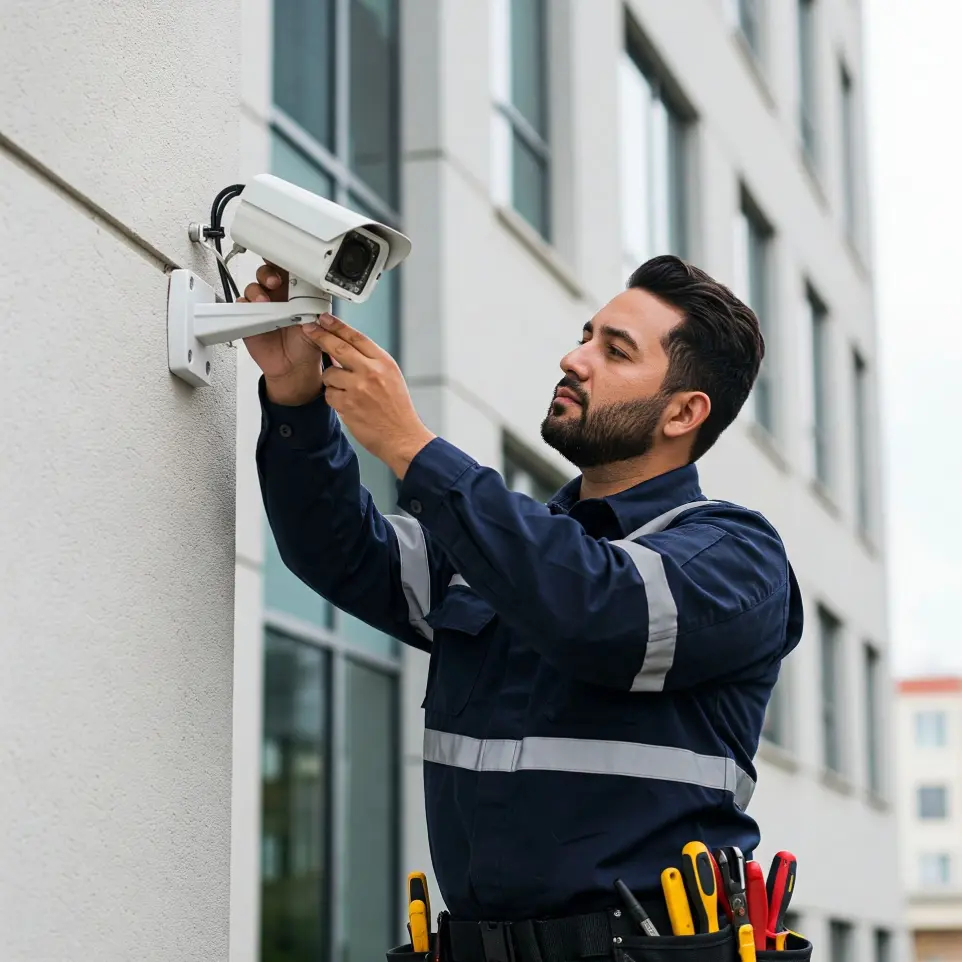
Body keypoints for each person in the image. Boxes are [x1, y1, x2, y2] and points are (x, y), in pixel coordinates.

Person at [243, 254, 804, 958]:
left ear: (683, 412)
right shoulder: (512, 555)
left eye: (614, 350)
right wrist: (296, 398)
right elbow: (339, 551)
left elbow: (601, 613)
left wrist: (414, 449)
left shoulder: (737, 557)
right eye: (586, 335)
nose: (575, 358)